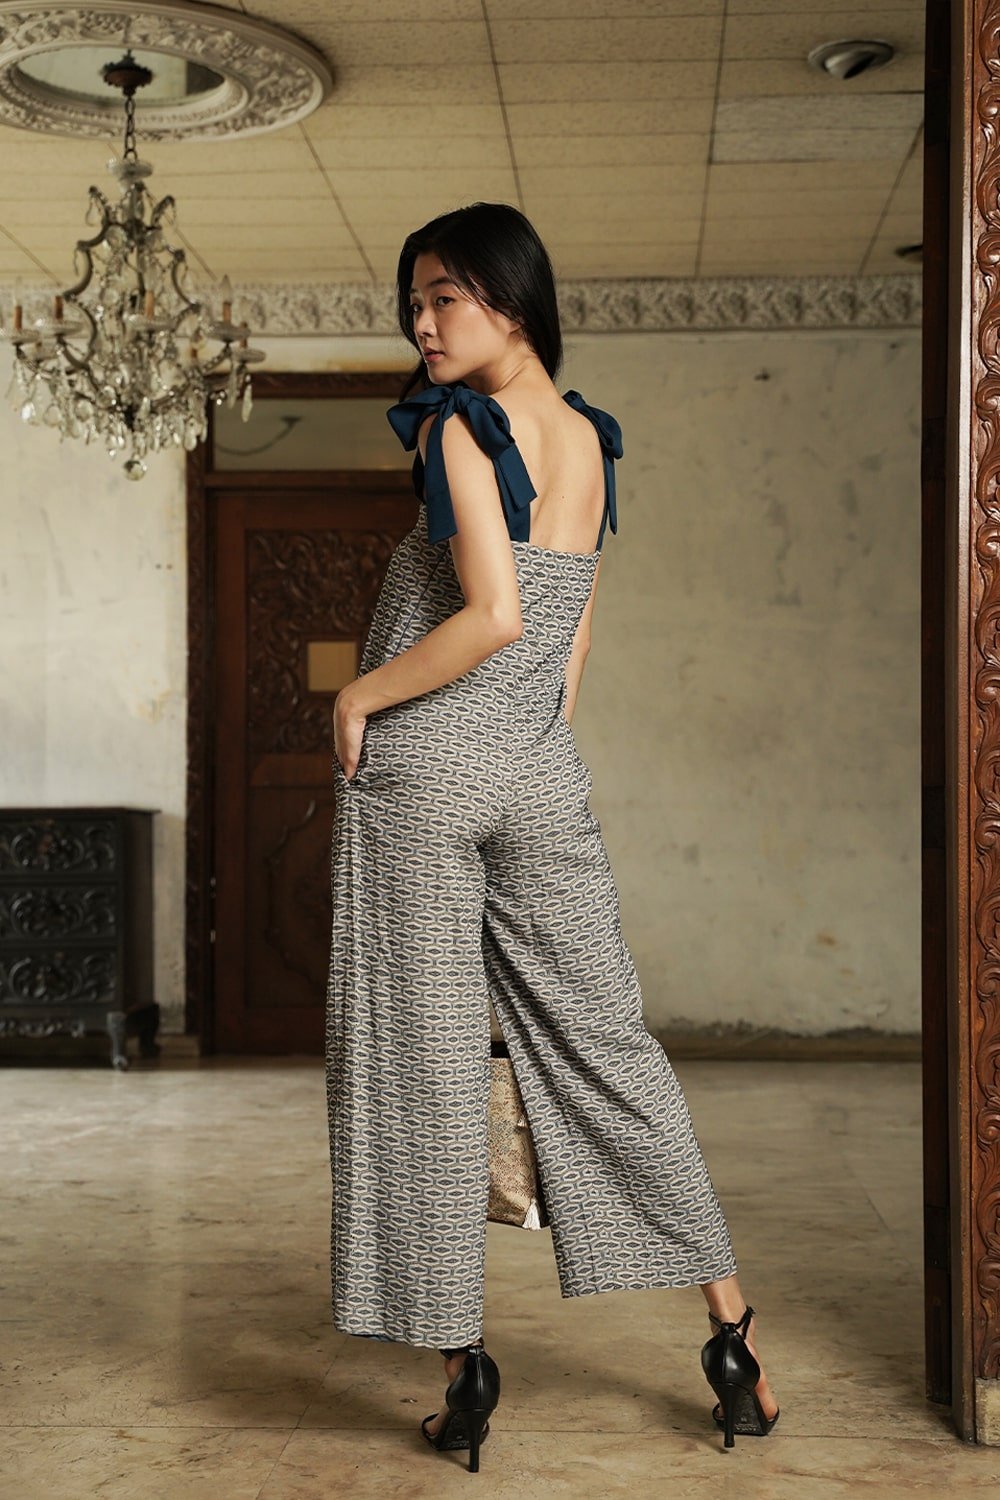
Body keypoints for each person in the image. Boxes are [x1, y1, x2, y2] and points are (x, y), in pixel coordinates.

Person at [325, 201, 780, 1471]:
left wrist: (358, 698)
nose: (421, 324)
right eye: (413, 302)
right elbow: (570, 637)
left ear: (511, 300)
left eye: (443, 297)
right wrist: (525, 748)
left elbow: (497, 614)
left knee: (420, 1067)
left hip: (424, 771)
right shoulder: (587, 438)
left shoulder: (457, 429)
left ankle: (463, 1369)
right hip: (536, 769)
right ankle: (732, 1340)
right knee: (606, 1046)